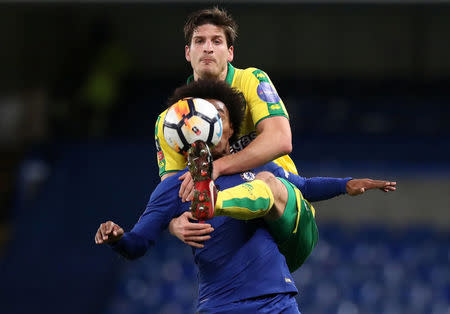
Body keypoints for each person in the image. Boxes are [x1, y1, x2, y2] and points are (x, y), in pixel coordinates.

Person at [95, 80, 396, 313]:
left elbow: (303, 187)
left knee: (270, 184)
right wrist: (116, 237)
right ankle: (215, 201)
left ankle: (215, 201)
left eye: (217, 114)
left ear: (231, 129)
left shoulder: (261, 166)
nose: (207, 120)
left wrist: (346, 184)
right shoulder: (176, 184)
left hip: (277, 298)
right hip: (221, 304)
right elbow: (137, 244)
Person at [155, 7, 296, 201]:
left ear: (230, 53)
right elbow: (171, 189)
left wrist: (218, 167)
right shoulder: (170, 120)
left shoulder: (252, 79)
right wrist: (174, 222)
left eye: (217, 41)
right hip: (225, 209)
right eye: (199, 41)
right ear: (188, 53)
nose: (208, 48)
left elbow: (281, 139)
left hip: (279, 196)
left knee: (265, 184)